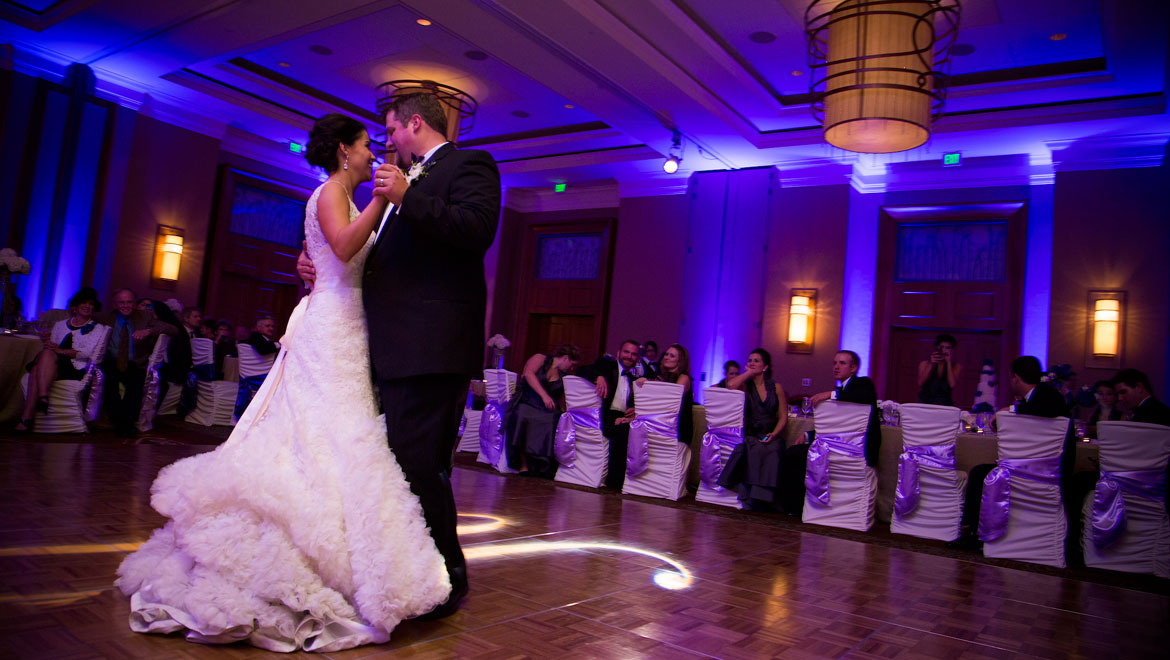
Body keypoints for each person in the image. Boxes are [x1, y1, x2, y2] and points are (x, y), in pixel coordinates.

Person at [117, 112, 452, 652]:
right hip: (329, 329)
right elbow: (342, 248)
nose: (373, 153)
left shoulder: (336, 197)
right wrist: (384, 200)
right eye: (367, 145)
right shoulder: (328, 193)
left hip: (347, 328)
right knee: (321, 434)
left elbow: (333, 255)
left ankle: (341, 557)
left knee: (337, 437)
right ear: (345, 150)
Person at [300, 93, 501, 620]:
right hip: (391, 348)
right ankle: (408, 570)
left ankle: (446, 579)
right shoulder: (398, 184)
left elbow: (476, 231)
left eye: (391, 129)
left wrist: (409, 197)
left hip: (432, 347)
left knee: (420, 465)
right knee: (397, 467)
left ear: (415, 123)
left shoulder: (468, 164)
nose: (385, 140)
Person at [950, 356, 1072, 550]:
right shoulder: (1034, 398)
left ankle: (973, 532)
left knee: (980, 473)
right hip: (1037, 471)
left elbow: (1049, 408)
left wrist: (1011, 409)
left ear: (1015, 378)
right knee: (982, 471)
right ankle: (974, 529)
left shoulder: (1047, 395)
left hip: (1044, 472)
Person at [776, 350, 880, 514]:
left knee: (796, 454)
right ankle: (794, 505)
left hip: (857, 450)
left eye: (842, 363)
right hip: (840, 444)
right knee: (795, 452)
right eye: (834, 363)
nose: (836, 367)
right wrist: (808, 435)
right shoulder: (843, 392)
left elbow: (866, 396)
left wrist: (831, 394)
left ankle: (792, 506)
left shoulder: (862, 384)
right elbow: (838, 426)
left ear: (853, 368)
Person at [16, 288, 105, 432]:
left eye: (91, 304)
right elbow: (52, 347)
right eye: (84, 302)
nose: (88, 306)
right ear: (75, 306)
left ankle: (26, 419)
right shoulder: (60, 325)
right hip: (53, 364)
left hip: (76, 368)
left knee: (36, 368)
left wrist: (60, 350)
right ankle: (43, 397)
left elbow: (88, 354)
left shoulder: (97, 328)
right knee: (44, 357)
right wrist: (48, 343)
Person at [717, 348, 788, 509]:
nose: (751, 363)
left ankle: (766, 499)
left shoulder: (776, 387)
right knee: (755, 449)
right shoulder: (745, 386)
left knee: (774, 450)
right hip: (752, 433)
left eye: (756, 361)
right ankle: (752, 497)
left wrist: (774, 433)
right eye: (749, 360)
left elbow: (783, 416)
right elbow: (731, 385)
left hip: (771, 433)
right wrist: (748, 373)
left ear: (765, 367)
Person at [99, 288, 176, 437]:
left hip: (136, 362)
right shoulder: (106, 317)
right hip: (112, 361)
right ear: (115, 304)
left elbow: (172, 329)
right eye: (121, 302)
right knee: (108, 383)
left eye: (129, 302)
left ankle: (127, 423)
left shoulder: (144, 316)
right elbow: (84, 317)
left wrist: (149, 331)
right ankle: (118, 420)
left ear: (135, 304)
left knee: (135, 385)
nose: (125, 305)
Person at [505, 344, 581, 477]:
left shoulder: (564, 375)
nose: (571, 368)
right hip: (529, 400)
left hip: (547, 408)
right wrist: (544, 395)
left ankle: (541, 465)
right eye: (572, 364)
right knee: (522, 415)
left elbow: (562, 398)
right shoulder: (540, 358)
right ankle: (524, 465)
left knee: (554, 419)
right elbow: (528, 374)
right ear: (566, 358)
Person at [577, 340, 644, 490]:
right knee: (623, 431)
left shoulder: (635, 378)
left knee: (638, 430)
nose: (629, 356)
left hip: (624, 417)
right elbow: (581, 370)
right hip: (604, 416)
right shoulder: (607, 366)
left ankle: (637, 482)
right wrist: (598, 377)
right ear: (619, 353)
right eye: (626, 352)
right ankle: (615, 483)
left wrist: (634, 409)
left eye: (634, 354)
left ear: (637, 358)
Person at [917, 333, 961, 406]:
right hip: (925, 401)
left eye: (948, 348)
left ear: (952, 350)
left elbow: (952, 385)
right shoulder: (924, 364)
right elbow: (920, 383)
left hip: (945, 403)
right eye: (942, 347)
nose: (944, 350)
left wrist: (949, 362)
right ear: (937, 347)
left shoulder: (956, 366)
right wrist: (931, 364)